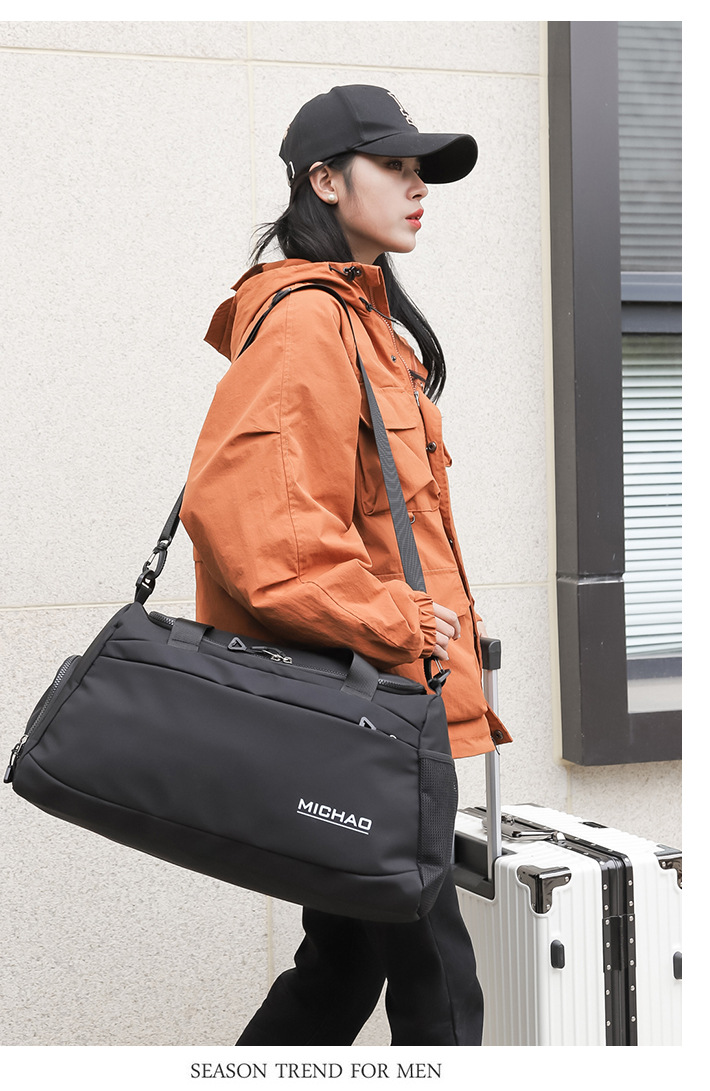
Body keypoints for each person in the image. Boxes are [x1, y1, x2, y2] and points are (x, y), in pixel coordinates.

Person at [180, 84, 511, 1047]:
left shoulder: (366, 325)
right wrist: (403, 620)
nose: (418, 187)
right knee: (438, 983)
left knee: (345, 967)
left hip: (384, 707)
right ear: (324, 182)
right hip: (367, 713)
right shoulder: (307, 324)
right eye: (395, 166)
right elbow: (262, 533)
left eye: (421, 170)